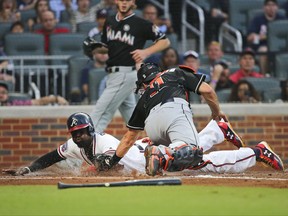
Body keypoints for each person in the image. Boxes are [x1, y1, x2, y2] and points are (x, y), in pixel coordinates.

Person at [2, 112, 284, 176]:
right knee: (192, 150)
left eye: (82, 132)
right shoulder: (74, 145)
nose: (78, 136)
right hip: (142, 155)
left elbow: (103, 165)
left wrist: (83, 177)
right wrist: (29, 168)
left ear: (91, 129)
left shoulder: (104, 142)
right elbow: (53, 155)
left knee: (201, 165)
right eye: (74, 132)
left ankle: (256, 151)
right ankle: (217, 129)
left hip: (154, 159)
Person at [88, 0, 170, 132]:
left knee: (100, 114)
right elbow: (109, 47)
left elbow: (165, 41)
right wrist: (95, 48)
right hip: (113, 75)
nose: (124, 2)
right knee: (134, 119)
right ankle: (150, 143)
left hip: (126, 73)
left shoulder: (141, 23)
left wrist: (145, 52)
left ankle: (85, 148)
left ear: (133, 2)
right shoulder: (109, 21)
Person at [246, 0, 286, 75]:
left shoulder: (282, 19)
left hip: (280, 47)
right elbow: (249, 38)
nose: (271, 8)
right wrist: (261, 37)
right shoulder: (257, 20)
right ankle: (263, 75)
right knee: (264, 50)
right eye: (268, 5)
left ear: (277, 7)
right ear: (264, 7)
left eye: (273, 5)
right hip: (263, 45)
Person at [0, 81, 69, 106]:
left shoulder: (14, 104)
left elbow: (38, 102)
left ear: (8, 95)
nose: (1, 95)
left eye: (3, 93)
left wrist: (56, 98)